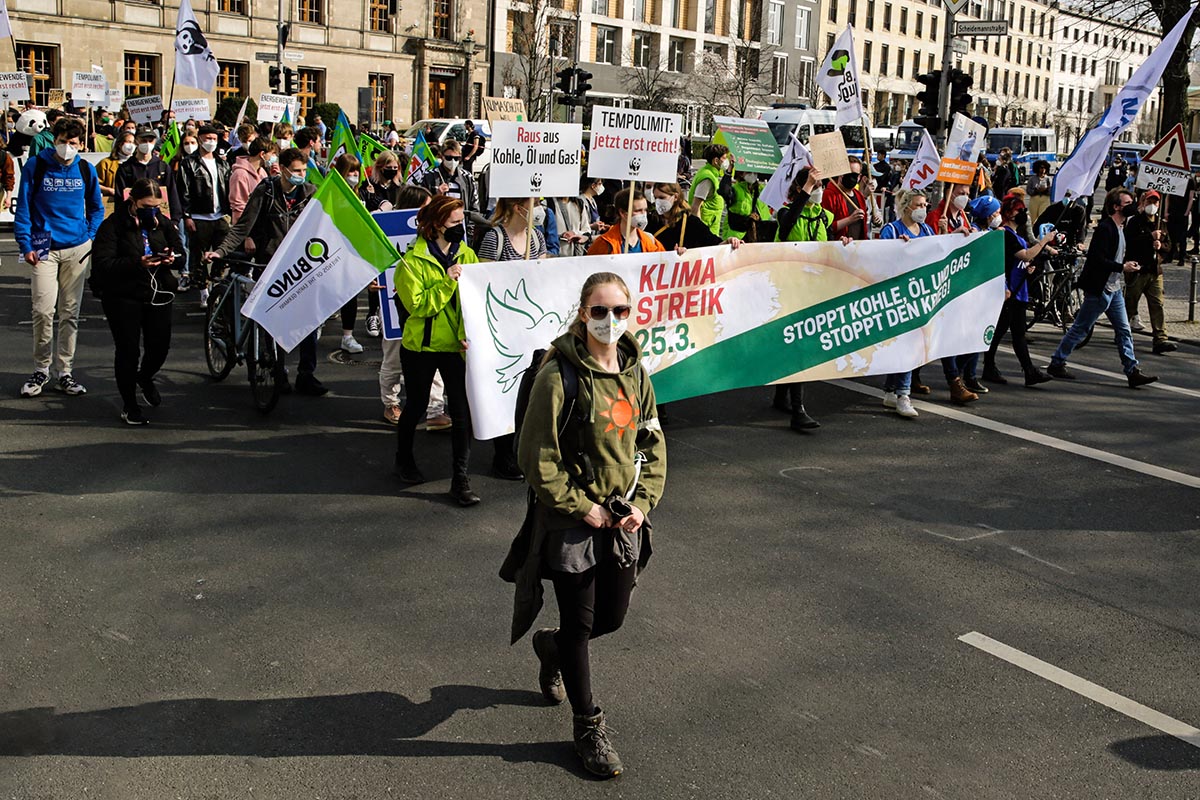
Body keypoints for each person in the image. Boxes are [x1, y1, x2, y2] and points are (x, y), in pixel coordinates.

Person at [510, 271, 666, 779]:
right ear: (583, 313)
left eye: (620, 311)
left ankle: (550, 646)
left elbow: (652, 443)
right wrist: (581, 507)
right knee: (580, 622)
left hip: (621, 520)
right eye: (599, 311)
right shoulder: (559, 375)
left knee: (611, 618)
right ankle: (588, 726)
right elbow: (536, 457)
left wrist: (642, 502)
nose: (610, 321)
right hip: (573, 520)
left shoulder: (636, 371)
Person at [206, 148, 328, 396]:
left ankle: (306, 374)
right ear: (282, 169)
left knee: (309, 320)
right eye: (296, 171)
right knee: (272, 319)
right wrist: (220, 251)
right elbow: (242, 227)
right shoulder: (266, 191)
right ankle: (276, 370)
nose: (301, 175)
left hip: (300, 265)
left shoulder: (311, 193)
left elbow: (326, 225)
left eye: (304, 171)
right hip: (269, 263)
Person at [392, 195, 481, 506]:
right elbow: (417, 306)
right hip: (421, 347)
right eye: (454, 222)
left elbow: (476, 301)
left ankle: (461, 480)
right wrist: (447, 281)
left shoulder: (468, 255)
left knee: (461, 412)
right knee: (415, 406)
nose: (461, 227)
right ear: (435, 225)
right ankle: (404, 459)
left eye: (461, 222)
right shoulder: (410, 263)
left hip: (456, 348)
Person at [14, 117, 105, 398]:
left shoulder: (85, 169)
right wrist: (25, 243)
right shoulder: (36, 166)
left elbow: (97, 208)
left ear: (81, 144)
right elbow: (24, 208)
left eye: (73, 143)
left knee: (70, 313)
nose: (67, 147)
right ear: (55, 140)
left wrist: (89, 234)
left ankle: (64, 371)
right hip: (43, 249)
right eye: (63, 141)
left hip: (76, 248)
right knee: (42, 311)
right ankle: (41, 369)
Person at [90, 178, 184, 425]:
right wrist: (136, 263)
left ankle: (145, 376)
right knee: (128, 351)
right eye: (145, 206)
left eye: (156, 205)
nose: (151, 210)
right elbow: (102, 264)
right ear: (133, 201)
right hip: (123, 296)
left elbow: (181, 252)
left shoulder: (161, 223)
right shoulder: (113, 226)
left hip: (158, 292)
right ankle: (130, 404)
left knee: (159, 347)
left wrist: (171, 259)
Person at [1046, 188, 1158, 388]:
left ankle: (1132, 370)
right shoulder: (1106, 228)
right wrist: (1121, 267)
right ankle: (1057, 362)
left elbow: (1122, 251)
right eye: (1127, 203)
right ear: (1115, 207)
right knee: (1081, 327)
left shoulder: (1121, 228)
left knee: (1124, 330)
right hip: (1100, 288)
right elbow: (1098, 259)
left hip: (1113, 289)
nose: (1131, 206)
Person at [477, 197, 550, 480]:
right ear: (519, 207)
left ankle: (522, 450)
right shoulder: (495, 239)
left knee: (529, 392)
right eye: (536, 203)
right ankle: (502, 455)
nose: (541, 210)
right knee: (506, 393)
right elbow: (481, 284)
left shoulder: (536, 238)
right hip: (503, 331)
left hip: (530, 330)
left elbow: (544, 276)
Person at [772, 166, 848, 430]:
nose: (819, 191)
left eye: (820, 186)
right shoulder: (784, 212)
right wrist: (805, 190)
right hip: (789, 288)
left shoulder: (824, 217)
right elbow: (786, 228)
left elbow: (826, 248)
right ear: (799, 188)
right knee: (798, 347)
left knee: (795, 346)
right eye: (814, 186)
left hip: (813, 290)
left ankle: (782, 396)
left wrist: (843, 243)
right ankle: (798, 409)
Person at [377, 185, 448, 427]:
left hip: (429, 305)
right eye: (426, 207)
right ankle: (391, 403)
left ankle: (435, 409)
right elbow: (372, 263)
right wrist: (372, 282)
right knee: (394, 357)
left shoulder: (436, 234)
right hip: (395, 305)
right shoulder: (386, 230)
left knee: (434, 356)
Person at [980, 194, 1055, 388]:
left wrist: (1028, 267)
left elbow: (1023, 259)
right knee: (1000, 332)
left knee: (1016, 332)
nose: (1023, 214)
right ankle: (990, 366)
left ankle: (1028, 371)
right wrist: (1044, 241)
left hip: (1018, 289)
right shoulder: (1004, 233)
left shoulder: (1016, 234)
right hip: (1009, 291)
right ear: (1008, 213)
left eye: (1024, 210)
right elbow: (1025, 254)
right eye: (1018, 210)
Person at [877, 188, 936, 418]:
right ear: (905, 206)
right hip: (898, 298)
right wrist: (898, 249)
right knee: (908, 345)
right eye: (918, 205)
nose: (922, 209)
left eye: (925, 205)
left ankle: (892, 391)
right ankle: (904, 394)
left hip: (921, 296)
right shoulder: (891, 230)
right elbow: (880, 257)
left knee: (908, 345)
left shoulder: (928, 230)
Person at [178, 125, 232, 305]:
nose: (211, 142)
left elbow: (227, 188)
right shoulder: (189, 162)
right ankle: (203, 290)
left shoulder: (222, 163)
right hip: (199, 217)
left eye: (214, 139)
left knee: (222, 253)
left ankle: (216, 283)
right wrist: (187, 216)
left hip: (221, 216)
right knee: (199, 256)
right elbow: (183, 191)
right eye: (208, 138)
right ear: (200, 139)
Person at [1123, 189, 1176, 355]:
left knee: (1157, 304)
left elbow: (1169, 247)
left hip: (1155, 271)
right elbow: (1129, 243)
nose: (1152, 205)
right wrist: (1149, 238)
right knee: (1129, 304)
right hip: (1138, 270)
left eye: (1155, 202)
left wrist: (1162, 248)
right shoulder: (1134, 222)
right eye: (1149, 202)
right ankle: (1122, 332)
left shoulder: (1162, 223)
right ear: (1143, 203)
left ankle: (1160, 338)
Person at [331, 153, 368, 354]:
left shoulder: (359, 193)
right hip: (333, 250)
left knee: (350, 294)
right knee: (327, 292)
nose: (354, 174)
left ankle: (347, 336)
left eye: (356, 171)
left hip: (352, 251)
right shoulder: (332, 193)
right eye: (350, 170)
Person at [419, 139, 489, 240]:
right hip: (438, 230)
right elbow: (422, 208)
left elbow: (474, 208)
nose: (452, 161)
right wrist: (437, 196)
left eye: (456, 158)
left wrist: (469, 231)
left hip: (462, 230)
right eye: (449, 158)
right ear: (442, 156)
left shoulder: (467, 177)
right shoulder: (429, 176)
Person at [651, 182, 742, 250]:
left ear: (675, 197)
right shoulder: (651, 220)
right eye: (655, 198)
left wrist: (729, 242)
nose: (658, 202)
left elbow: (714, 244)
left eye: (662, 198)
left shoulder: (691, 223)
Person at [587, 188, 666, 255]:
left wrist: (676, 256)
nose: (643, 214)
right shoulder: (604, 243)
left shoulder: (650, 240)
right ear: (622, 213)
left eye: (645, 210)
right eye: (638, 210)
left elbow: (664, 263)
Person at [687, 143, 732, 237]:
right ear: (716, 160)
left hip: (709, 229)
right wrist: (700, 232)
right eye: (724, 158)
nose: (726, 161)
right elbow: (695, 207)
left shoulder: (710, 173)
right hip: (705, 231)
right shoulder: (707, 178)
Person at [822, 158, 871, 240]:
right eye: (848, 173)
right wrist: (849, 219)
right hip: (838, 247)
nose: (851, 178)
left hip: (858, 246)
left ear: (859, 177)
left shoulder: (859, 195)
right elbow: (825, 226)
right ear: (841, 174)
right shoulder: (829, 194)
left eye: (854, 175)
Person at [228, 137, 273, 223]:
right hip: (247, 225)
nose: (273, 157)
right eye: (272, 154)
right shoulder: (240, 174)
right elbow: (239, 205)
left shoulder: (262, 172)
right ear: (262, 154)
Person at [726, 172, 775, 242]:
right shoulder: (735, 189)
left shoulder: (762, 189)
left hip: (761, 235)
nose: (752, 174)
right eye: (749, 172)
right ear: (741, 174)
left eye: (754, 172)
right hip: (739, 237)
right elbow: (724, 191)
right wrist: (728, 171)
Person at [97, 132, 135, 208]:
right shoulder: (106, 163)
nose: (132, 145)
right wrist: (109, 190)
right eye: (129, 142)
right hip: (112, 203)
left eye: (134, 142)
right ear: (120, 144)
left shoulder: (136, 163)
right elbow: (94, 184)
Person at [1025, 160, 1052, 224]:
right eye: (1041, 167)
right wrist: (1035, 191)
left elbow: (1051, 191)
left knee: (1042, 216)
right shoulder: (1032, 179)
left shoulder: (1049, 179)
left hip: (1045, 199)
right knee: (1033, 218)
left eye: (1044, 168)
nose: (1043, 169)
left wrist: (1045, 190)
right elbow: (1028, 190)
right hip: (1034, 199)